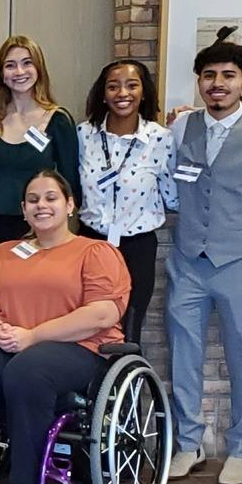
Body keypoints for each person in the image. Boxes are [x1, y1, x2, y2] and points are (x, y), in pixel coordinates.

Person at [0, 171, 131, 484]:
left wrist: (33, 336)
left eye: (50, 198)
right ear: (23, 211)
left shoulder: (95, 252)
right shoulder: (1, 253)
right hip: (9, 340)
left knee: (28, 371)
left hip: (76, 348)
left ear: (70, 205)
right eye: (32, 200)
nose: (41, 205)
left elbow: (103, 313)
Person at [165, 33, 242, 484]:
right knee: (183, 353)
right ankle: (189, 443)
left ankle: (241, 447)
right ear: (199, 82)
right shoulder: (181, 128)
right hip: (188, 259)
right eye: (209, 75)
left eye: (228, 76)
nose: (217, 83)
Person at [76, 59, 173, 342]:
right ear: (102, 94)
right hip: (90, 242)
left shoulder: (161, 139)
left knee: (130, 324)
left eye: (132, 85)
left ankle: (125, 383)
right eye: (113, 86)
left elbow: (171, 196)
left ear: (144, 92)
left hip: (137, 246)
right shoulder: (84, 135)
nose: (123, 93)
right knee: (87, 321)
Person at [0, 35, 79, 246]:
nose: (19, 72)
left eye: (27, 63)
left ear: (39, 69)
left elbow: (70, 182)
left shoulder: (58, 120)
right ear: (1, 74)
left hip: (39, 225)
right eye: (10, 65)